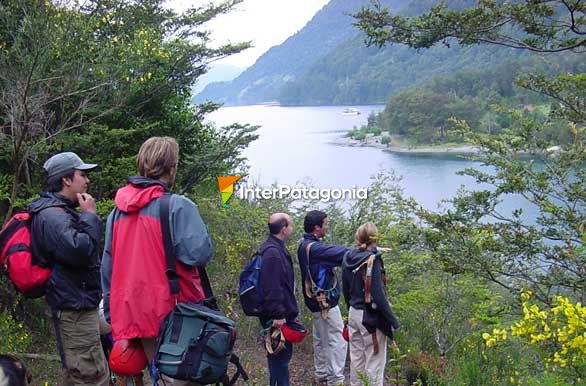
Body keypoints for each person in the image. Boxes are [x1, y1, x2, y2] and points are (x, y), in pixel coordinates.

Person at [101, 137, 213, 385]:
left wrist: (111, 312)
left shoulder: (116, 213)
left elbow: (108, 267)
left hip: (135, 313)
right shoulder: (177, 206)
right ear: (171, 167)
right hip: (176, 311)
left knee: (159, 375)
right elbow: (199, 253)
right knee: (181, 377)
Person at [29, 152, 109, 386]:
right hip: (74, 308)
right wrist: (90, 216)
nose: (87, 181)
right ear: (66, 180)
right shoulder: (52, 216)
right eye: (82, 175)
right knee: (91, 376)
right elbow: (80, 251)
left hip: (76, 304)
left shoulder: (58, 212)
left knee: (78, 374)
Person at [342, 222, 400, 386]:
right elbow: (378, 295)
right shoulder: (373, 261)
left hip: (354, 313)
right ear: (374, 238)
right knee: (374, 363)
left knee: (357, 361)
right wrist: (393, 321)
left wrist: (351, 307)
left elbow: (345, 289)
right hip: (371, 317)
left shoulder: (348, 257)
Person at [297, 210, 348, 386]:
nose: (328, 226)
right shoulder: (316, 249)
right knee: (336, 340)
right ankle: (335, 380)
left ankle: (322, 376)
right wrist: (368, 250)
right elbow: (343, 254)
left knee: (321, 340)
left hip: (315, 303)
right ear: (316, 227)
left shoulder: (305, 245)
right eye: (326, 223)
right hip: (325, 303)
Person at [258, 213, 297, 386]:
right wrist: (278, 315)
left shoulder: (273, 248)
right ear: (283, 228)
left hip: (278, 314)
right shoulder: (273, 253)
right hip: (277, 317)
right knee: (279, 358)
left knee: (279, 358)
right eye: (291, 225)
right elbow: (272, 286)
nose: (292, 228)